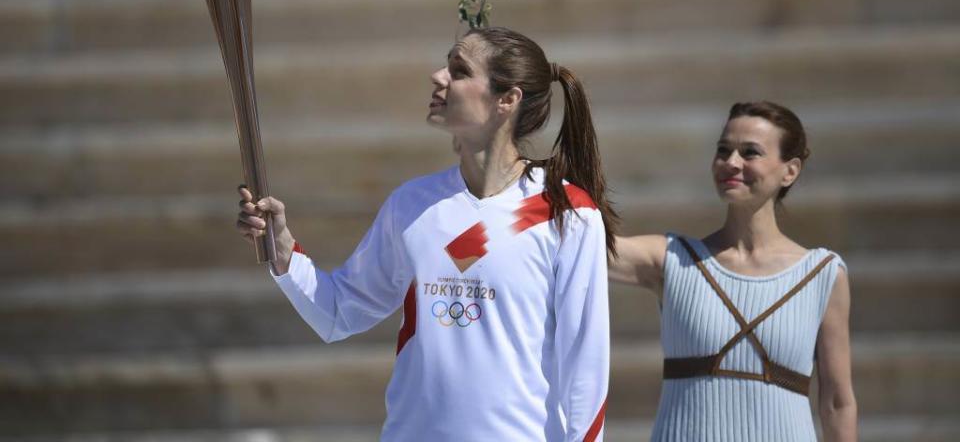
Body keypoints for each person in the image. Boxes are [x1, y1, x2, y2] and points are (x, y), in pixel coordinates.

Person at [236, 26, 617, 441]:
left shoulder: (566, 214)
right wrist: (285, 252)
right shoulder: (412, 205)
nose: (438, 77)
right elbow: (338, 312)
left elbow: (586, 370)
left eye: (458, 69)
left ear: (507, 99)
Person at [610, 101, 857, 441]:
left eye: (750, 152)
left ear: (790, 171)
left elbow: (837, 403)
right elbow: (586, 251)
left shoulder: (823, 274)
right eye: (723, 150)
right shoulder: (674, 259)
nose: (731, 163)